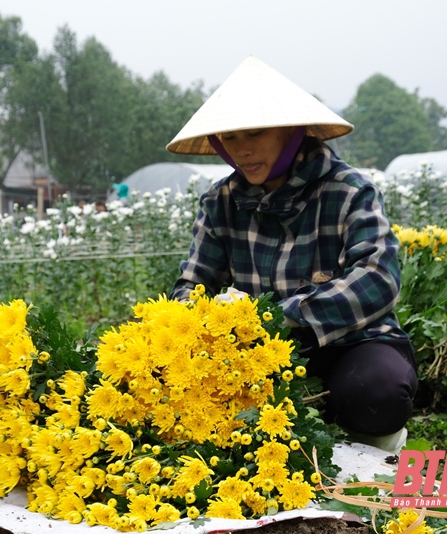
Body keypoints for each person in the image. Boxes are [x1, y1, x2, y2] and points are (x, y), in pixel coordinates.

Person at [166, 56, 417, 453]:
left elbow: (378, 277)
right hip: (258, 354)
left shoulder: (349, 190)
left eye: (255, 133)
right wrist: (206, 318)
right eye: (229, 139)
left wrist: (282, 315)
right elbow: (191, 283)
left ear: (291, 132)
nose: (242, 151)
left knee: (376, 391)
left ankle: (375, 440)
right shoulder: (220, 202)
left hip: (351, 342)